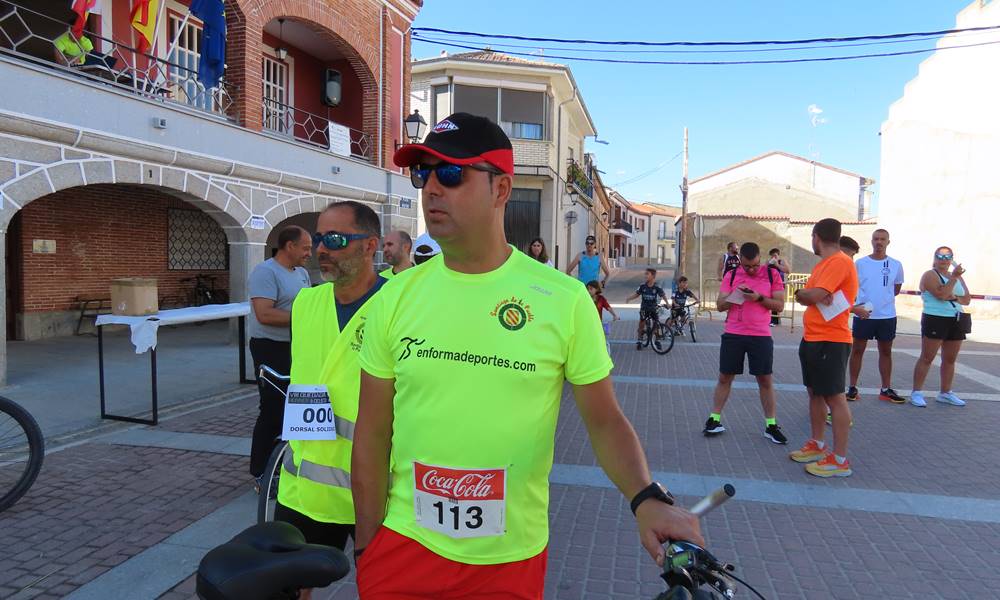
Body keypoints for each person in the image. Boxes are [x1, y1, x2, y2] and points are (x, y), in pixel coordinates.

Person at [352, 112, 702, 600]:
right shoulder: (393, 297)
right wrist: (367, 548)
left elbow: (604, 421)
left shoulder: (563, 299)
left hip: (509, 558)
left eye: (451, 173)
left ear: (501, 188)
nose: (432, 187)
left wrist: (645, 497)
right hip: (403, 548)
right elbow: (371, 433)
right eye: (423, 173)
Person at [276, 200, 387, 588]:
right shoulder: (306, 303)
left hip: (375, 495)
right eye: (319, 238)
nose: (321, 248)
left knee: (381, 587)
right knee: (290, 588)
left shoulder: (396, 307)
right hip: (302, 491)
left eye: (336, 239)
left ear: (370, 245)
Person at [790, 218, 858, 477]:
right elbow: (809, 294)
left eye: (812, 237)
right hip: (814, 338)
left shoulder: (840, 262)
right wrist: (808, 294)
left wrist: (806, 294)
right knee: (815, 393)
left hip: (832, 340)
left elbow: (811, 296)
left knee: (834, 398)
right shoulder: (824, 265)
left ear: (816, 236)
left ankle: (840, 460)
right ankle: (817, 445)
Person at [703, 243, 787, 444]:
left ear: (760, 259)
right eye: (747, 266)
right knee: (725, 377)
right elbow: (720, 306)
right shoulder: (731, 275)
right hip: (734, 334)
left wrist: (758, 298)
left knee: (765, 380)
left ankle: (771, 424)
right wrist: (736, 297)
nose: (751, 270)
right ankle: (714, 419)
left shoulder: (771, 274)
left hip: (760, 335)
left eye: (755, 265)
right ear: (740, 259)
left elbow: (780, 305)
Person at [247, 226, 312, 485]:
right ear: (289, 246)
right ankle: (261, 473)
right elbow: (265, 314)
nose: (310, 252)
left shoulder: (302, 273)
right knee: (273, 410)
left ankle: (285, 465)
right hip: (269, 348)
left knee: (293, 409)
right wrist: (307, 318)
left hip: (295, 348)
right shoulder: (265, 272)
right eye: (305, 247)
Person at [846, 229, 905, 403]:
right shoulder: (860, 263)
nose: (879, 242)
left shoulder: (896, 264)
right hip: (864, 314)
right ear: (871, 241)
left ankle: (885, 389)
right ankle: (852, 388)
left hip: (887, 316)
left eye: (882, 239)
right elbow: (852, 287)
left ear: (888, 242)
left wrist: (883, 302)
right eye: (876, 239)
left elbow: (896, 289)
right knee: (857, 350)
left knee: (886, 352)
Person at [909, 246, 971, 407]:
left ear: (952, 259)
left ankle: (945, 392)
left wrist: (953, 294)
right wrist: (953, 281)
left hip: (956, 318)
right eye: (940, 256)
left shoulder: (955, 276)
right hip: (935, 317)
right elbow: (942, 295)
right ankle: (916, 392)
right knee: (927, 357)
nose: (944, 260)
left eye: (948, 256)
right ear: (935, 258)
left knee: (950, 359)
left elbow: (967, 299)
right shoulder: (930, 275)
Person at [626, 268, 670, 351]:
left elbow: (663, 295)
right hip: (644, 308)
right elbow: (637, 294)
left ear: (653, 276)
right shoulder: (642, 286)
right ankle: (639, 339)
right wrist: (629, 298)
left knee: (656, 323)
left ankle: (657, 340)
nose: (645, 275)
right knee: (642, 323)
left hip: (653, 308)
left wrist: (667, 303)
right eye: (645, 274)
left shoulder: (657, 287)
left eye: (647, 274)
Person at [587, 280, 618, 354]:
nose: (589, 291)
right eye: (587, 289)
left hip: (598, 323)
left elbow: (608, 307)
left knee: (601, 339)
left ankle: (606, 352)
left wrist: (614, 315)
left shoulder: (601, 299)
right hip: (587, 322)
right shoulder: (586, 298)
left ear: (597, 289)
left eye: (591, 289)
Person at [767, 248, 790, 326]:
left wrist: (777, 265)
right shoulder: (769, 262)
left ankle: (776, 320)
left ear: (778, 255)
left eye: (775, 255)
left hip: (779, 284)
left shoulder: (781, 261)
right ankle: (772, 320)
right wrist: (767, 264)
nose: (773, 257)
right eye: (772, 256)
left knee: (777, 302)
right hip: (770, 284)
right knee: (770, 301)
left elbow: (787, 270)